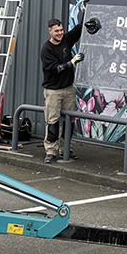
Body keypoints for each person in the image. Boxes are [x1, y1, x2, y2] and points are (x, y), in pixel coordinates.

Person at [40, 18, 84, 163]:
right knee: (52, 123)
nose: (60, 33)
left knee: (68, 123)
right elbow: (56, 69)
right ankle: (51, 152)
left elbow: (78, 30)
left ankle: (65, 149)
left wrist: (87, 8)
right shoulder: (46, 49)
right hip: (53, 91)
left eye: (61, 30)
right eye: (56, 31)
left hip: (69, 89)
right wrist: (71, 62)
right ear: (50, 31)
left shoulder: (65, 40)